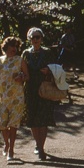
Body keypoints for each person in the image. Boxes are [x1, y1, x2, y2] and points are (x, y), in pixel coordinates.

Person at [0, 36, 27, 161]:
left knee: (13, 124)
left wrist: (22, 77)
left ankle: (11, 150)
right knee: (3, 124)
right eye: (12, 46)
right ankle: (6, 143)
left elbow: (27, 76)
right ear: (6, 47)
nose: (14, 49)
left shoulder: (20, 60)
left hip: (17, 96)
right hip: (3, 97)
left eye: (16, 46)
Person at [22, 27, 56, 160]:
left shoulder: (47, 52)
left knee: (44, 117)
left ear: (41, 39)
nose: (35, 40)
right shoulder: (26, 53)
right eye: (33, 37)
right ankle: (38, 145)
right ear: (29, 39)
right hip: (30, 88)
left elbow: (56, 66)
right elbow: (23, 69)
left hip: (44, 87)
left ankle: (41, 147)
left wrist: (48, 70)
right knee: (33, 118)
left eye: (38, 37)